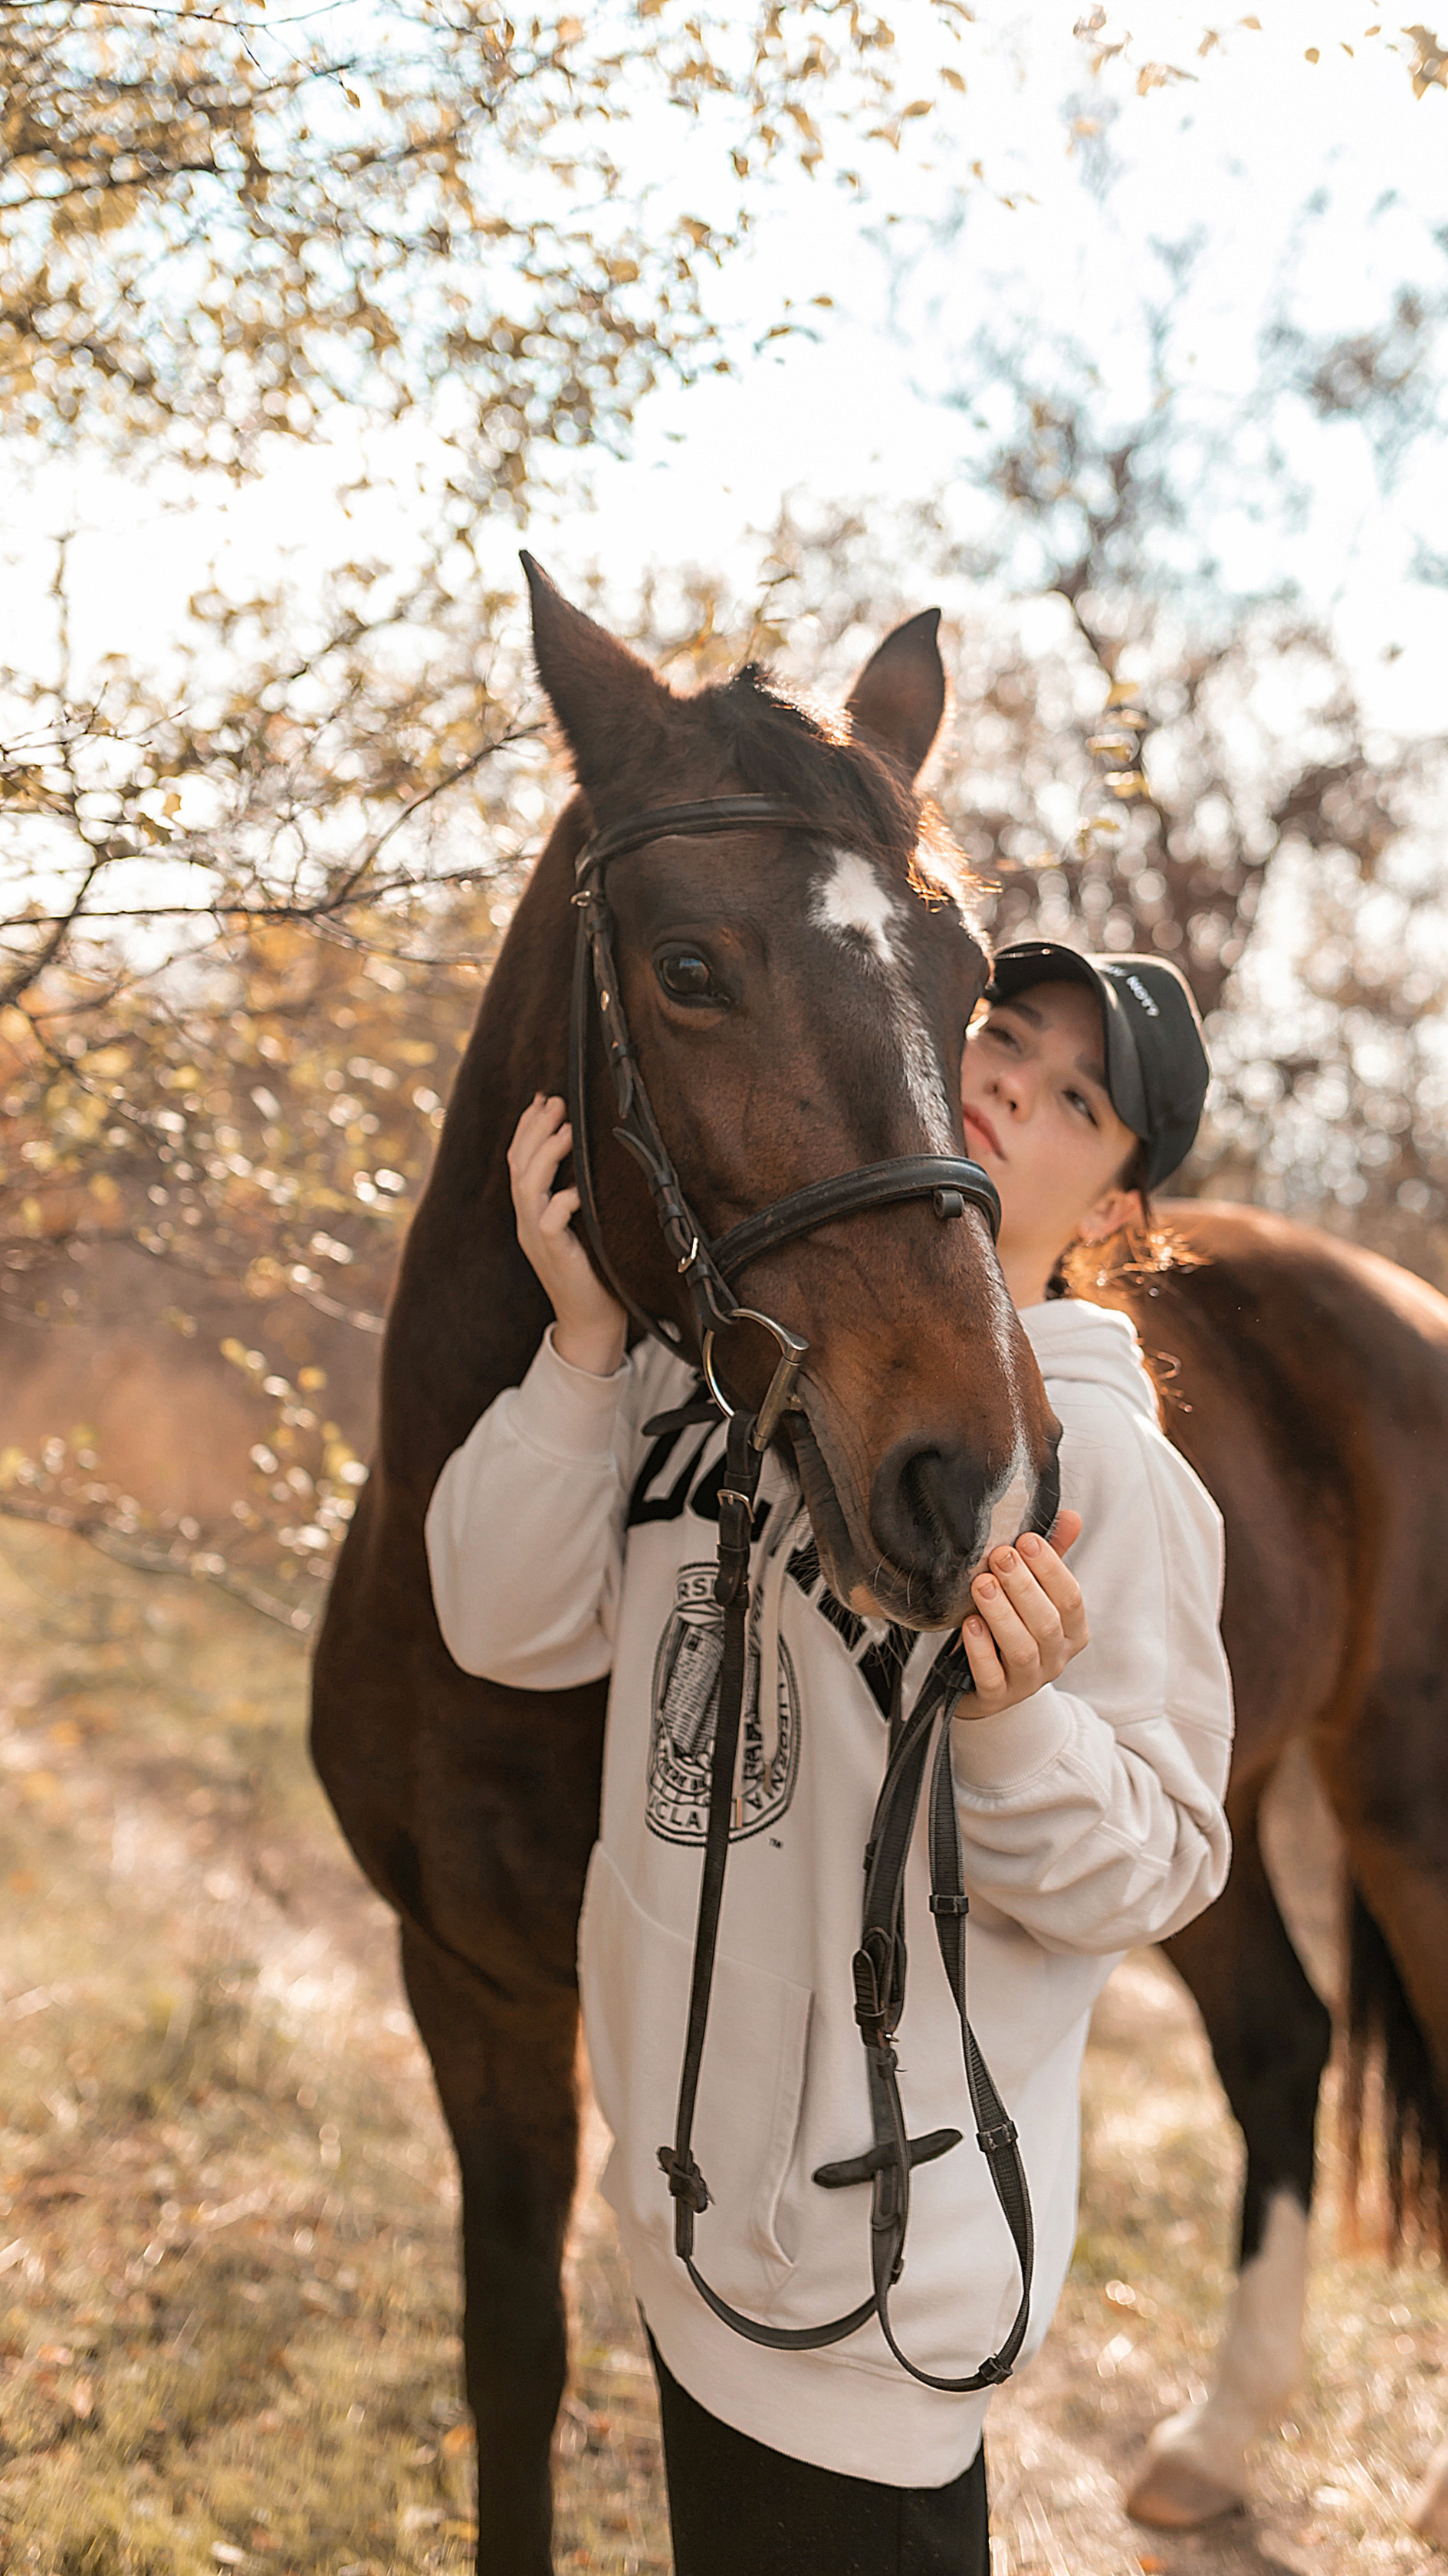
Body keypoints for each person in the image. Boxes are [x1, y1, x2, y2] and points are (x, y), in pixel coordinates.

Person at [425, 943, 1235, 2576]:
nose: (1011, 1085)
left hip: (880, 2279)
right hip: (682, 2208)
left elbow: (1152, 1866)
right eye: (1001, 1038)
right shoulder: (709, 1372)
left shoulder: (1104, 1471)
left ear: (1105, 1212)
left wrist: (1014, 1729)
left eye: (1075, 1098)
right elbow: (500, 1625)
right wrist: (585, 1341)